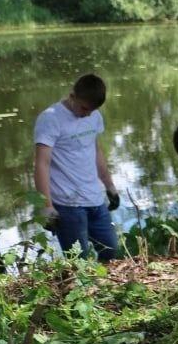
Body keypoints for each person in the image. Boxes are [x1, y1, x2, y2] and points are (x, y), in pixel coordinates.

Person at [33, 73, 121, 261]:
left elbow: (96, 152)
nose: (87, 114)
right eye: (84, 108)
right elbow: (41, 163)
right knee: (78, 260)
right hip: (67, 205)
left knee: (111, 251)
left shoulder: (94, 115)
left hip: (95, 199)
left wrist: (110, 186)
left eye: (92, 110)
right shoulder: (50, 118)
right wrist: (46, 206)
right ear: (72, 96)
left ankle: (103, 281)